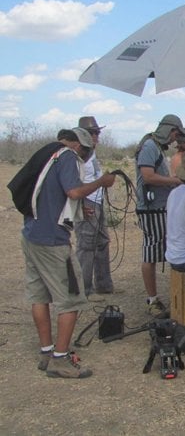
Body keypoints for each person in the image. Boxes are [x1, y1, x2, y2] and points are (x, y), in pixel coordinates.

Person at [22, 127, 116, 378]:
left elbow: (54, 194)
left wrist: (76, 209)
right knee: (71, 298)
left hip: (31, 233)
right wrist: (100, 182)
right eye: (85, 151)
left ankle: (46, 351)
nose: (83, 156)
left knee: (39, 295)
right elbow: (73, 191)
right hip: (53, 241)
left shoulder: (46, 153)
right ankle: (60, 359)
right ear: (78, 146)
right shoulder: (67, 156)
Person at [135, 114, 184, 317]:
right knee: (151, 251)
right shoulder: (149, 146)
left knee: (155, 249)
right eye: (175, 134)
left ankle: (156, 297)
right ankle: (152, 299)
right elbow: (147, 176)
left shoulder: (153, 146)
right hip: (151, 208)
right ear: (169, 130)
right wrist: (174, 181)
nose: (174, 139)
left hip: (158, 207)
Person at [74, 116, 116, 301]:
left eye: (98, 133)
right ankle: (84, 290)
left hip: (97, 202)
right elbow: (73, 183)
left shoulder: (91, 153)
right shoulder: (77, 155)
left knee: (102, 243)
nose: (97, 137)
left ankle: (104, 285)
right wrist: (81, 205)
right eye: (94, 133)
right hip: (87, 203)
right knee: (86, 246)